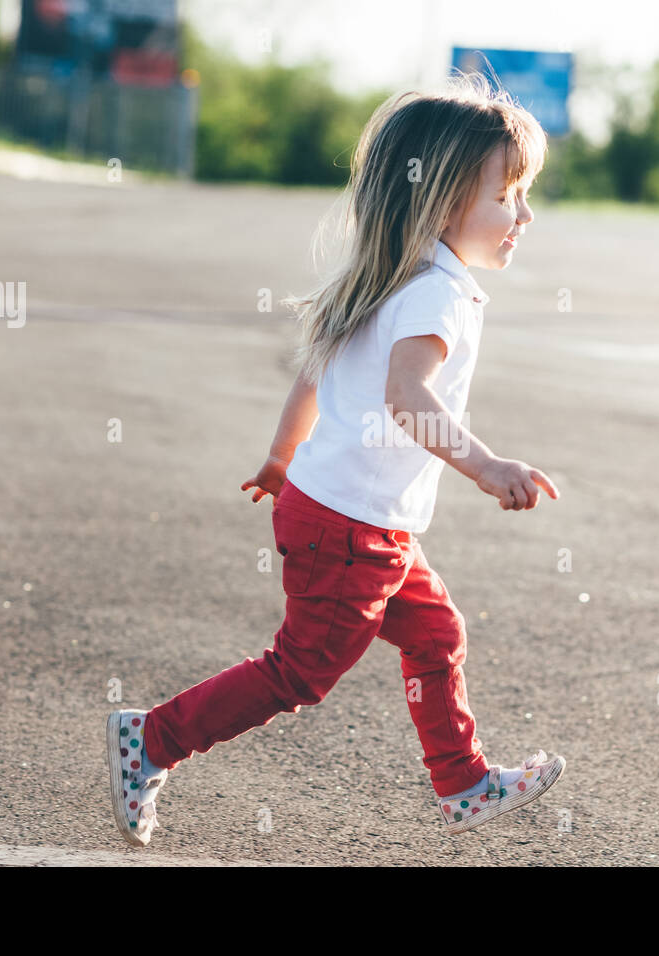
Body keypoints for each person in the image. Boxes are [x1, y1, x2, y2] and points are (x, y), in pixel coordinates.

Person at [108, 72, 564, 846]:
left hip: (352, 518)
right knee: (300, 672)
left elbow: (316, 373)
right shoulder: (436, 295)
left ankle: (462, 782)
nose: (522, 216)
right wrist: (486, 467)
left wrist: (281, 459)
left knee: (436, 633)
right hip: (350, 530)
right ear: (444, 198)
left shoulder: (393, 274)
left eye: (525, 196)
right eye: (506, 196)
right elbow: (407, 397)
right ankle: (150, 740)